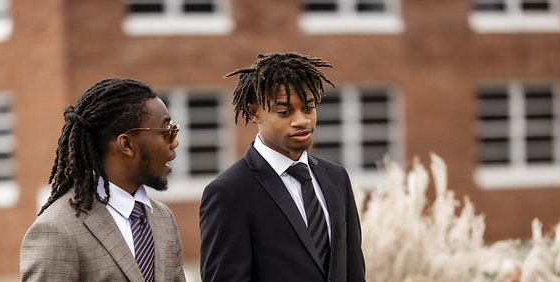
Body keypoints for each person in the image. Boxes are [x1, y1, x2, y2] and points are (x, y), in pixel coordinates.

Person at [199, 53, 366, 282]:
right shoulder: (229, 192)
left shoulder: (336, 177)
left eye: (308, 108)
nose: (302, 121)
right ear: (254, 112)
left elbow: (353, 272)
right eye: (284, 112)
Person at [20, 78, 186, 282]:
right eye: (166, 131)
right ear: (127, 144)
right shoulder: (56, 231)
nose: (175, 142)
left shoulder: (163, 218)